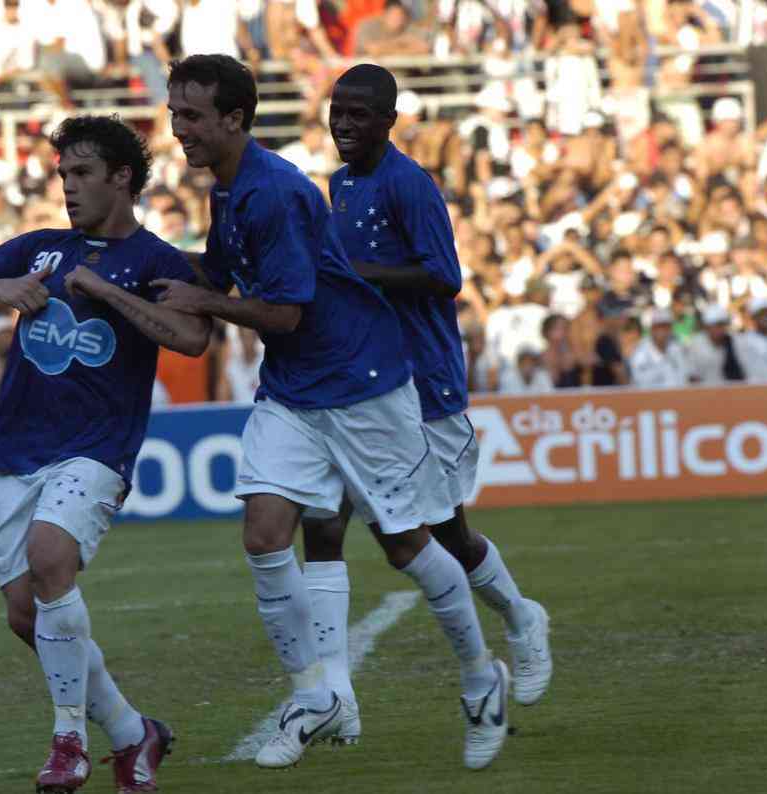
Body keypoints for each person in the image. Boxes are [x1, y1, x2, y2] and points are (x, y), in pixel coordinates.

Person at [159, 54, 509, 770]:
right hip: (295, 388)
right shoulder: (229, 190)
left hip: (363, 383)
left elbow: (283, 312)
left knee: (407, 545)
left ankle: (482, 678)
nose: (177, 129)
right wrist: (126, 264)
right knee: (263, 535)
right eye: (174, 114)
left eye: (190, 116)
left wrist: (204, 303)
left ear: (234, 119)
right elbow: (217, 270)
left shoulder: (277, 192)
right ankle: (316, 694)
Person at [0, 114, 210, 794]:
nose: (68, 187)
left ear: (122, 177)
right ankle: (131, 732)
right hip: (16, 444)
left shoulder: (156, 262)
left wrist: (108, 292)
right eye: (63, 175)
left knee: (51, 556)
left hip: (96, 447)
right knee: (26, 614)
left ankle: (69, 741)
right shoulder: (42, 247)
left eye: (82, 173)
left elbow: (192, 338)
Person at [302, 63, 551, 745]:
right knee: (323, 523)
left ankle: (522, 617)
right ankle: (335, 696)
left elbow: (444, 277)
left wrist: (355, 277)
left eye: (359, 114)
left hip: (425, 380)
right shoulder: (340, 185)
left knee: (446, 534)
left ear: (388, 120)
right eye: (337, 111)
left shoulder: (409, 184)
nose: (344, 125)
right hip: (361, 381)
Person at [629, 308, 689, 389]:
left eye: (666, 326)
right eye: (658, 327)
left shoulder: (676, 348)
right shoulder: (641, 351)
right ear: (651, 329)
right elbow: (640, 381)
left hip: (677, 397)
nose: (662, 331)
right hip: (650, 398)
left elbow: (684, 377)